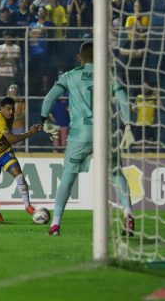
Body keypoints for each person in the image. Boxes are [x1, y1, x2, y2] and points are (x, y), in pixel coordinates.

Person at [40, 42, 135, 236]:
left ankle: (56, 223)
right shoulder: (108, 75)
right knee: (117, 174)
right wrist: (128, 126)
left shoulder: (70, 76)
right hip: (106, 133)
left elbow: (49, 98)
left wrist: (43, 120)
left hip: (80, 134)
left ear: (79, 57)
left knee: (68, 176)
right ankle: (128, 214)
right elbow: (123, 98)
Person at [0, 96, 42, 221]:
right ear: (1, 108)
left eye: (12, 109)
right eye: (8, 109)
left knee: (19, 175)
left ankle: (28, 206)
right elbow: (12, 139)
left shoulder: (7, 117)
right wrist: (31, 133)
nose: (11, 112)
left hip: (4, 152)